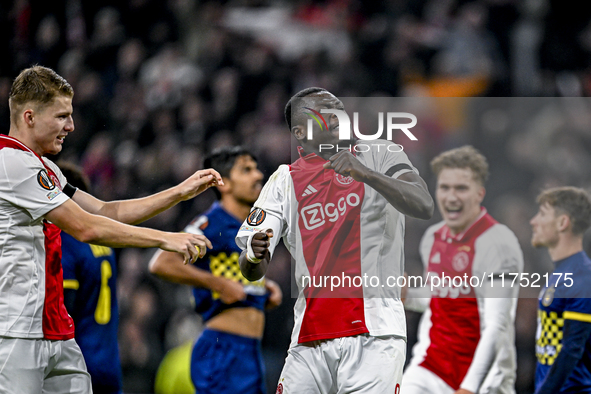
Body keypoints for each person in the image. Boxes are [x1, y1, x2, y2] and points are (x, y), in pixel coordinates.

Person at [0, 65, 221, 393]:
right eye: (61, 116)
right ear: (29, 117)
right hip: (17, 331)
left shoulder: (44, 168)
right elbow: (86, 228)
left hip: (55, 329)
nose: (71, 126)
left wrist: (179, 191)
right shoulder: (11, 163)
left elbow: (106, 210)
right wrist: (165, 239)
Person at [236, 87, 434, 393]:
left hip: (376, 335)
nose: (338, 115)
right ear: (300, 132)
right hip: (309, 339)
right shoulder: (283, 181)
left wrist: (367, 174)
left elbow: (423, 204)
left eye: (339, 108)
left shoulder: (381, 153)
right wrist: (253, 256)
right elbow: (251, 266)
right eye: (326, 112)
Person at [149, 146, 283, 394]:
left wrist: (263, 290)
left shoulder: (250, 227)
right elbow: (161, 263)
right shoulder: (211, 223)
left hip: (250, 351)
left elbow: (234, 279)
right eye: (246, 170)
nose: (257, 176)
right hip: (223, 349)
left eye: (255, 169)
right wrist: (218, 285)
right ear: (224, 184)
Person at [402, 146, 524, 394]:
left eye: (461, 188)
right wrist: (408, 296)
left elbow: (497, 324)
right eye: (445, 188)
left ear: (479, 193)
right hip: (432, 369)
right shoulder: (432, 237)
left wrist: (468, 387)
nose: (451, 197)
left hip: (484, 379)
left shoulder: (498, 244)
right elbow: (443, 297)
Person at [56, 161, 122, 394]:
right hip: (109, 361)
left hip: (78, 366)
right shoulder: (104, 245)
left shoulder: (66, 242)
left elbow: (63, 309)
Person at [530, 186, 591, 393]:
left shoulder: (582, 276)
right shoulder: (561, 273)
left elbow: (572, 348)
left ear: (563, 223)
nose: (534, 221)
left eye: (542, 214)